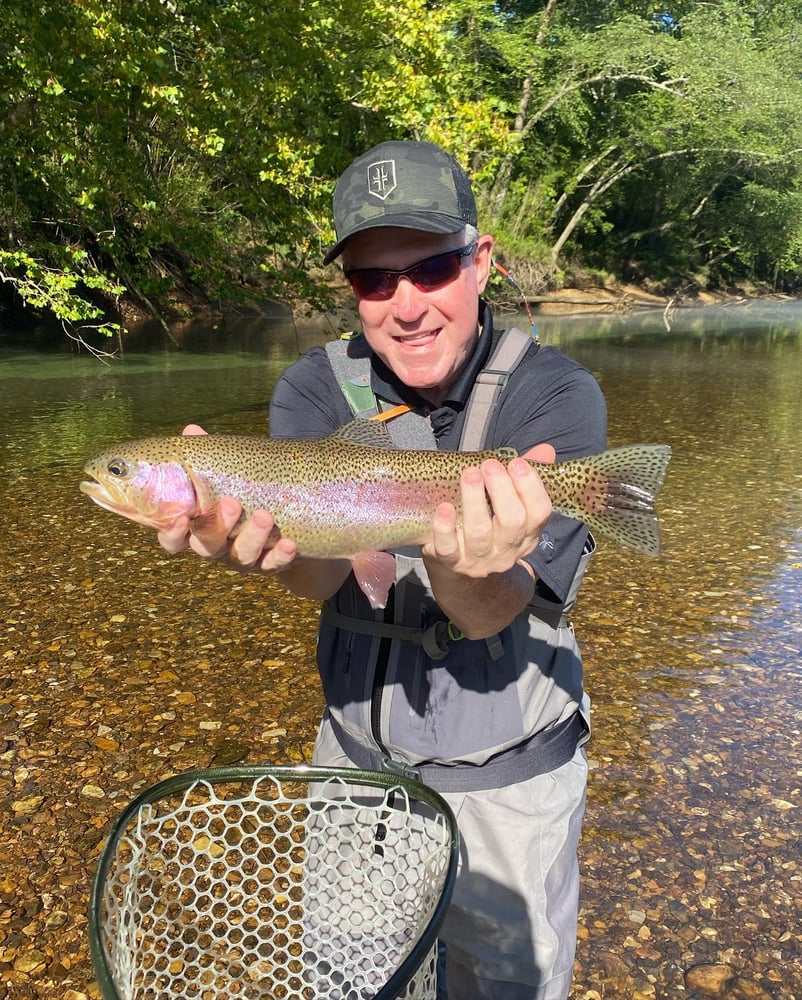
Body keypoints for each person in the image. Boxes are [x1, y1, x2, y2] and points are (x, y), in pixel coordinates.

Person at [158, 139, 607, 999]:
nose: (406, 307)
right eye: (374, 280)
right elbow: (330, 576)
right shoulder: (312, 390)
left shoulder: (555, 395)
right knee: (350, 979)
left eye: (431, 269)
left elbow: (493, 612)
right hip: (357, 772)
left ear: (482, 261)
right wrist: (271, 555)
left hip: (511, 776)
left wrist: (465, 564)